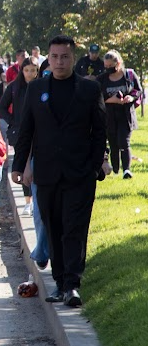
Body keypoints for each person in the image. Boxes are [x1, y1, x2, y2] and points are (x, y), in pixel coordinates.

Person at [12, 35, 107, 308]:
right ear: (48, 58)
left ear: (73, 58)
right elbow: (26, 130)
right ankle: (59, 282)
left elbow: (100, 131)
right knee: (53, 228)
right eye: (54, 57)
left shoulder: (89, 89)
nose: (59, 61)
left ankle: (72, 284)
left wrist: (94, 165)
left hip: (80, 173)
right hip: (47, 173)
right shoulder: (36, 89)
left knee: (74, 228)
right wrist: (19, 165)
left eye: (64, 56)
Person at [0, 57, 39, 214]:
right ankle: (28, 201)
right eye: (26, 70)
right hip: (20, 133)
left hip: (39, 131)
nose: (29, 73)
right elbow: (2, 107)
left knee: (36, 164)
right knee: (23, 163)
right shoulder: (14, 87)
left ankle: (36, 198)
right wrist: (13, 121)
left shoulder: (42, 85)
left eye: (33, 70)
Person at [97, 50, 142, 179]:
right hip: (109, 116)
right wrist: (112, 100)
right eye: (106, 66)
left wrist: (130, 97)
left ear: (118, 63)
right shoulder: (102, 79)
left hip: (126, 115)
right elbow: (97, 97)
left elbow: (137, 90)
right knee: (113, 143)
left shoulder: (129, 75)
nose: (108, 68)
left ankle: (126, 170)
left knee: (124, 142)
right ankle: (116, 169)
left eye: (110, 66)